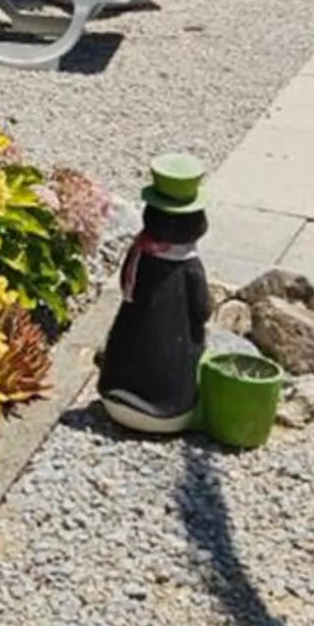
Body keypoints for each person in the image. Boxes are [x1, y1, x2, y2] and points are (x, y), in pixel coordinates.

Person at [96, 152, 212, 437]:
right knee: (188, 342)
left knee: (130, 331)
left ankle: (120, 388)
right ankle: (168, 402)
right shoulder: (188, 267)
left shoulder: (142, 256)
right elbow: (203, 311)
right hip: (168, 411)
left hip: (114, 396)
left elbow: (127, 292)